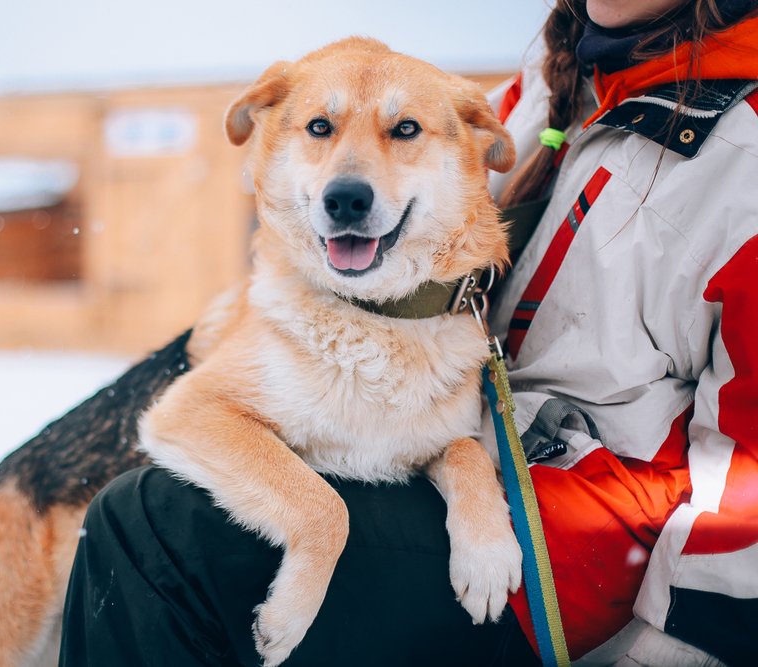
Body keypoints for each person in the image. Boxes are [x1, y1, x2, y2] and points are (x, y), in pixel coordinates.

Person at [59, 1, 758, 664]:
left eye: (400, 134)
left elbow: (749, 490)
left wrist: (664, 651)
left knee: (150, 529)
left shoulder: (743, 150)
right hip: (467, 461)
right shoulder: (560, 77)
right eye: (323, 129)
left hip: (576, 566)